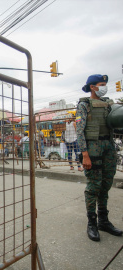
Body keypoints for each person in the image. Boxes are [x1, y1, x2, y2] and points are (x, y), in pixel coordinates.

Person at [76, 74, 122, 241]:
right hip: (92, 149)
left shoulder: (109, 104)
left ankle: (103, 221)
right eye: (102, 84)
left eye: (105, 84)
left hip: (108, 147)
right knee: (93, 187)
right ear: (93, 87)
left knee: (106, 184)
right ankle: (92, 223)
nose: (105, 87)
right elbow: (79, 131)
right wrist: (85, 154)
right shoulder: (84, 105)